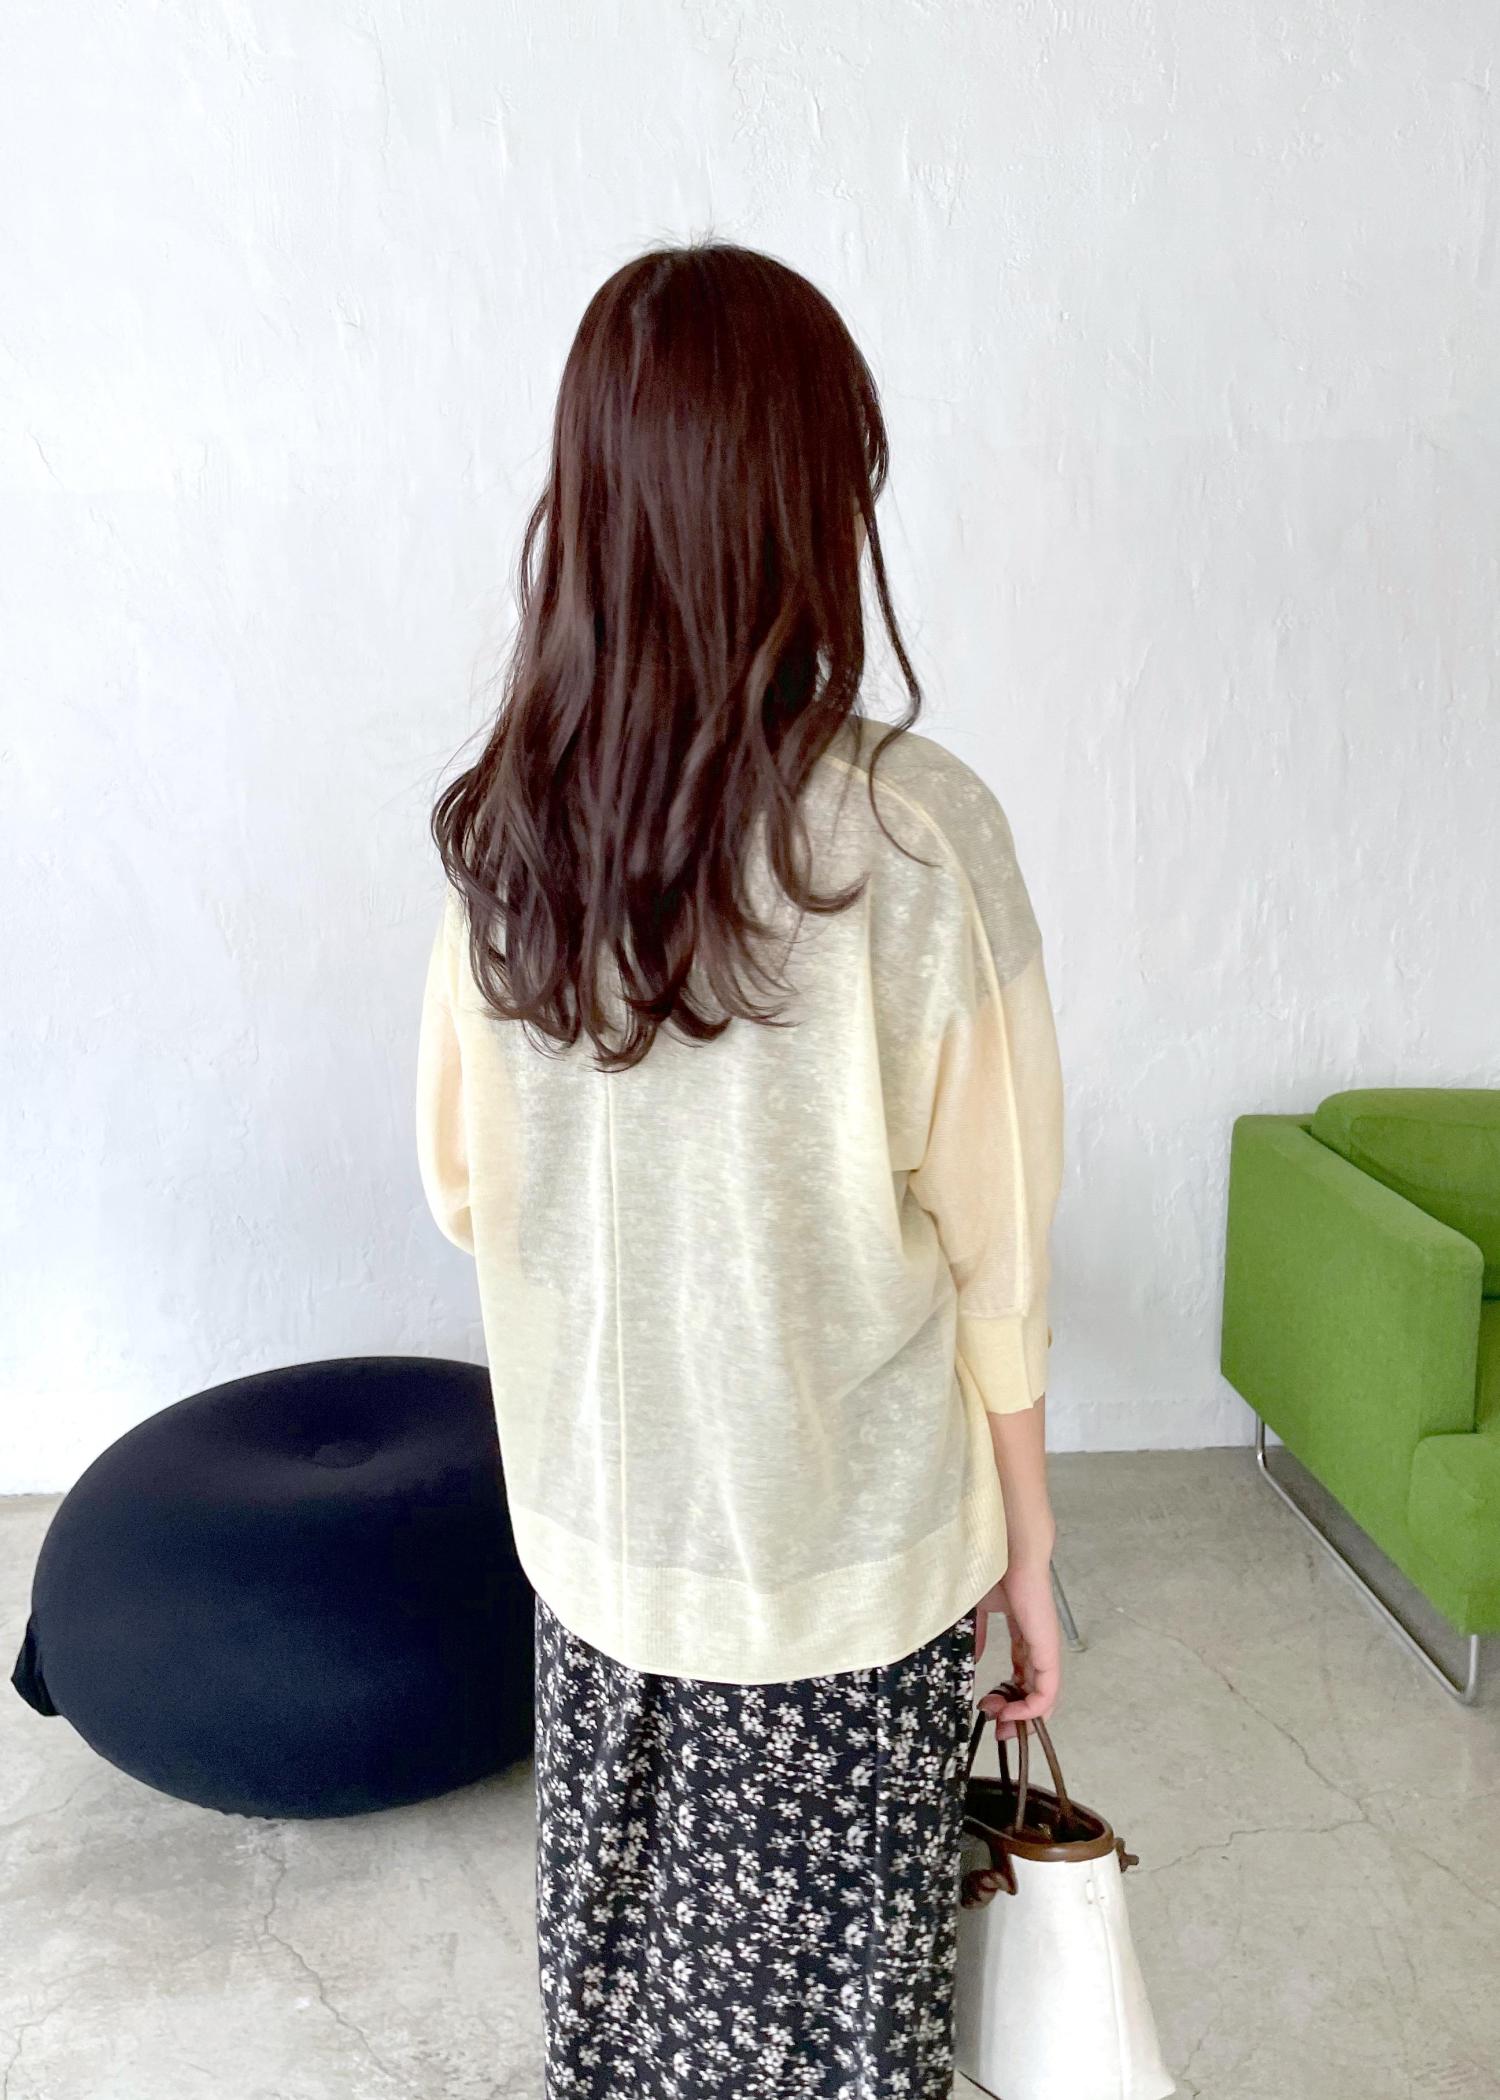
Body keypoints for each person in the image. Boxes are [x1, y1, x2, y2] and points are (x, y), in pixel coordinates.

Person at [415, 236, 1064, 2100]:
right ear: (810, 507)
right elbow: (1000, 1252)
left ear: (590, 505)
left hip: (604, 1548)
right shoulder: (918, 837)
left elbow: (463, 1185)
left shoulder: (509, 839)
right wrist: (1030, 1550)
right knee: (839, 2035)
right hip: (851, 1564)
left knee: (626, 2018)